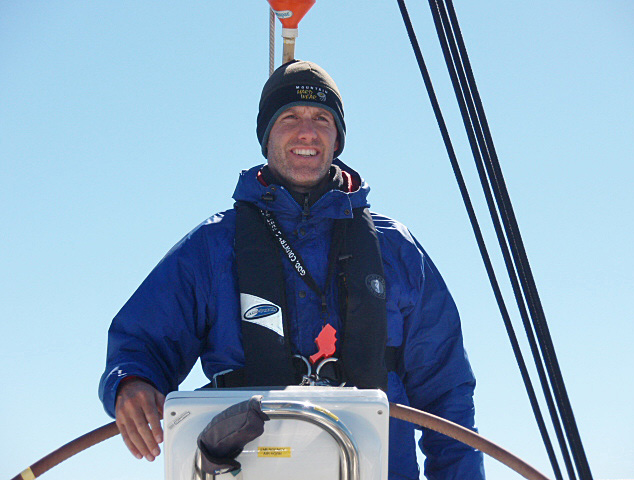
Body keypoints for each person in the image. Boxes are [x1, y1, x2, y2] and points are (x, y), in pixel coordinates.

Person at [99, 60, 485, 480]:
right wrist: (130, 382)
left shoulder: (397, 250)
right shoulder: (212, 247)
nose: (307, 132)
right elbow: (142, 342)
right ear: (266, 135)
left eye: (322, 119)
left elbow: (448, 395)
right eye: (289, 118)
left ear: (337, 138)